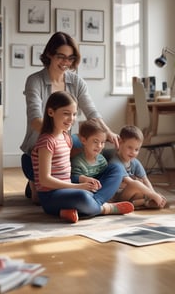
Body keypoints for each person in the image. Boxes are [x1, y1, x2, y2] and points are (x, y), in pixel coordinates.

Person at [20, 31, 119, 202]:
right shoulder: (34, 81)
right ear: (50, 54)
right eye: (61, 57)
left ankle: (90, 189)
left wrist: (107, 132)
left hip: (66, 140)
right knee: (37, 198)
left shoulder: (77, 82)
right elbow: (35, 119)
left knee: (96, 147)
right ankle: (40, 182)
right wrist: (56, 139)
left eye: (71, 58)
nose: (66, 62)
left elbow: (91, 112)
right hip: (42, 141)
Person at [31, 91, 134, 223]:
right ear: (51, 112)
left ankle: (79, 208)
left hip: (68, 189)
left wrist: (84, 180)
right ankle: (105, 208)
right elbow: (45, 180)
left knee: (117, 170)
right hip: (51, 196)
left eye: (74, 114)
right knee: (83, 196)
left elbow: (69, 170)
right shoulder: (46, 141)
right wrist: (79, 187)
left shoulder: (66, 137)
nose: (71, 119)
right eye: (66, 113)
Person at [109, 125, 167, 209]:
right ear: (120, 142)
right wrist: (153, 195)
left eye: (136, 149)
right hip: (116, 197)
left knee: (142, 186)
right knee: (137, 184)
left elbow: (145, 180)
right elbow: (131, 183)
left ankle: (144, 202)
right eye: (130, 147)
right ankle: (143, 201)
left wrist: (153, 193)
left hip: (130, 194)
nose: (133, 152)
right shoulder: (115, 162)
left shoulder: (135, 162)